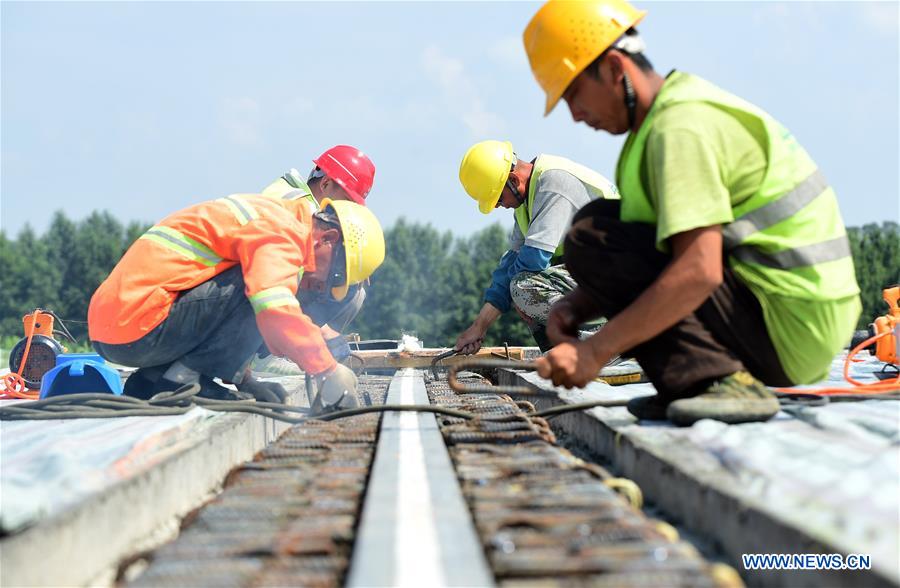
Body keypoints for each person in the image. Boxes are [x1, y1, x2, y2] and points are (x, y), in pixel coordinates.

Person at [523, 0, 861, 425]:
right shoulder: (652, 134)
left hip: (790, 326)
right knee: (599, 233)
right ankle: (698, 382)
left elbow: (698, 271)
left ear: (613, 68)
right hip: (786, 318)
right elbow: (649, 260)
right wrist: (573, 308)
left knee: (593, 237)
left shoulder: (678, 128)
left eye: (573, 94)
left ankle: (722, 382)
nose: (575, 115)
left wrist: (595, 351)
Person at [88, 190, 385, 414]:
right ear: (328, 239)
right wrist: (326, 369)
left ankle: (154, 379)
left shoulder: (279, 218)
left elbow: (222, 314)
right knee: (263, 290)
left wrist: (246, 381)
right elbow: (272, 310)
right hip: (140, 323)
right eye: (335, 276)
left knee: (263, 285)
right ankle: (182, 381)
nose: (322, 285)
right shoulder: (282, 232)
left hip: (124, 327)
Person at [454, 139, 618, 353]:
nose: (501, 206)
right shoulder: (526, 202)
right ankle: (563, 349)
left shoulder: (553, 184)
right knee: (519, 288)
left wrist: (509, 294)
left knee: (524, 287)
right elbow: (510, 265)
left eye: (499, 200)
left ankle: (605, 343)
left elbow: (532, 261)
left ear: (513, 180)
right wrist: (478, 327)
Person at [260, 145, 376, 363]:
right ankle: (273, 356)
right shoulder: (302, 210)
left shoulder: (297, 197)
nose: (347, 209)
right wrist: (322, 331)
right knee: (351, 288)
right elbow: (277, 280)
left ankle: (286, 350)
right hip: (255, 300)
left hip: (252, 294)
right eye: (347, 201)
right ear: (325, 183)